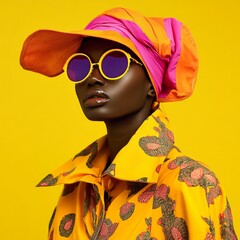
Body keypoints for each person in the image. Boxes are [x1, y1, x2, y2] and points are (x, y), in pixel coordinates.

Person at [20, 7, 237, 240]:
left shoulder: (189, 184)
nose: (92, 78)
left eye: (114, 63)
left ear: (151, 83)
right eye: (80, 66)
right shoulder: (78, 189)